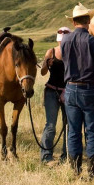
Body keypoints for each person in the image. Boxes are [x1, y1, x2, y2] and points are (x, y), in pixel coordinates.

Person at [60, 3, 94, 179]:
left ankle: (76, 171)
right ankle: (93, 172)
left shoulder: (65, 41)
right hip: (89, 90)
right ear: (88, 21)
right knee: (92, 131)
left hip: (70, 89)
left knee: (73, 131)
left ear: (74, 23)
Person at [39, 26, 71, 165]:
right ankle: (46, 156)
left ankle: (67, 155)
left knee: (69, 125)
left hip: (69, 91)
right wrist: (46, 63)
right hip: (52, 91)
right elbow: (43, 73)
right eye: (61, 41)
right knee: (51, 125)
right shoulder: (50, 52)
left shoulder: (74, 53)